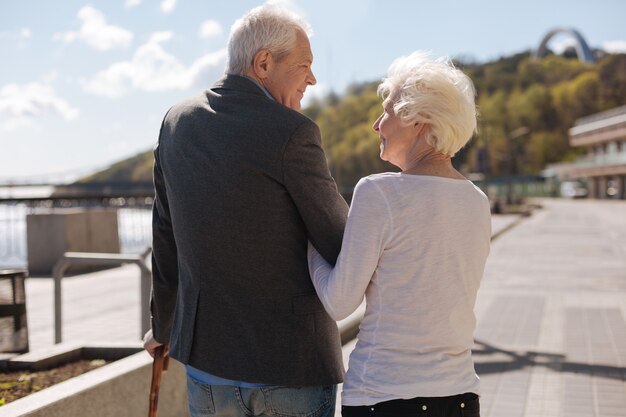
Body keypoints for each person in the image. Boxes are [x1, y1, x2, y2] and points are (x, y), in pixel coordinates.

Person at [143, 5, 349, 417]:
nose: (312, 79)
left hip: (206, 366)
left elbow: (165, 235)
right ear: (263, 62)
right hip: (290, 366)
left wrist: (162, 328)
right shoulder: (293, 132)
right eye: (305, 66)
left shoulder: (175, 123)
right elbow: (341, 243)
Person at [307, 52, 491, 417]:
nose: (377, 124)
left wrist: (309, 239)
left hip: (383, 397)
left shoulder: (379, 193)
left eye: (387, 112)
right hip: (460, 398)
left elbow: (340, 302)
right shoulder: (477, 201)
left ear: (418, 120)